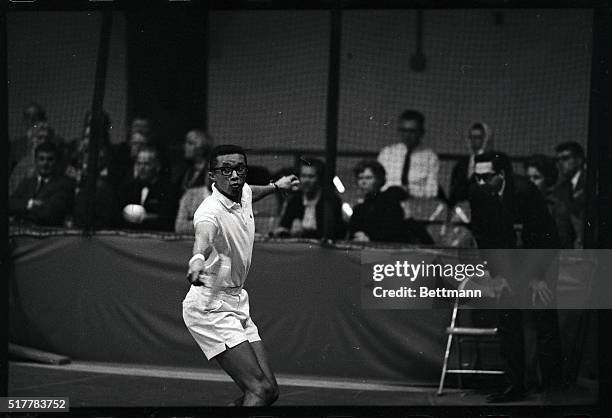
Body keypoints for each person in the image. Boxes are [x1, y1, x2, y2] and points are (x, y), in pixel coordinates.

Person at [183, 144, 299, 406]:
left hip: (236, 301)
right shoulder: (209, 210)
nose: (234, 176)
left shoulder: (242, 192)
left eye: (239, 169)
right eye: (226, 170)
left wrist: (277, 186)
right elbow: (203, 236)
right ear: (213, 176)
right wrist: (197, 258)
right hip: (209, 305)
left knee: (269, 391)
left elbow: (250, 192)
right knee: (258, 389)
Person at [468, 151, 562, 403]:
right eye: (476, 177)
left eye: (486, 177)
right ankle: (514, 385)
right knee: (508, 320)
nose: (479, 182)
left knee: (544, 320)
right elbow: (483, 237)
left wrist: (537, 276)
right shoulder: (478, 193)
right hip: (506, 260)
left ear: (501, 175)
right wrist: (496, 275)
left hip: (539, 256)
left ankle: (553, 387)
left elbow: (545, 237)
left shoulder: (526, 192)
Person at [349, 160, 432, 244]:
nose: (363, 182)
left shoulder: (390, 200)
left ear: (379, 179)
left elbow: (393, 229)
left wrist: (370, 239)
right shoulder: (358, 210)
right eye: (360, 178)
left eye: (368, 178)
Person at [272, 158, 345, 239]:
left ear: (319, 178)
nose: (306, 180)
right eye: (303, 176)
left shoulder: (331, 201)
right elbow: (284, 226)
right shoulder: (295, 201)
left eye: (311, 176)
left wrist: (304, 232)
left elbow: (337, 232)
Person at [9, 141, 75, 227]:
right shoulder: (27, 182)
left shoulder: (65, 185)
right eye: (41, 159)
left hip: (46, 236)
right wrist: (30, 203)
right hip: (20, 232)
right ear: (35, 161)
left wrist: (21, 208)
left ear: (57, 162)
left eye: (50, 159)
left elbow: (49, 214)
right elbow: (9, 203)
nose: (45, 163)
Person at [377, 109, 440, 198]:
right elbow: (377, 184)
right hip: (387, 201)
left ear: (421, 132)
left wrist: (408, 193)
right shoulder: (387, 153)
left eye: (412, 131)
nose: (407, 135)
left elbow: (432, 191)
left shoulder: (430, 157)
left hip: (415, 202)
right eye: (403, 130)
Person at [115, 145, 179, 231]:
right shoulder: (128, 188)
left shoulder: (168, 189)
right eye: (139, 163)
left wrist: (146, 218)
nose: (141, 168)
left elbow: (167, 218)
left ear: (157, 166)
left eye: (146, 164)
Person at [449, 122, 492, 208]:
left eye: (478, 137)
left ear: (485, 139)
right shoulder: (460, 165)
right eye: (471, 137)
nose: (473, 141)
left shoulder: (495, 163)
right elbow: (454, 192)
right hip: (463, 210)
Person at [552, 141, 586, 249]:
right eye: (558, 160)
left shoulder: (591, 183)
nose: (561, 163)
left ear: (579, 160)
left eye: (565, 158)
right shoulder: (560, 189)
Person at [172, 129, 214, 195]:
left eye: (190, 143)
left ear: (201, 149)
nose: (185, 146)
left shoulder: (211, 171)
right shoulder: (182, 171)